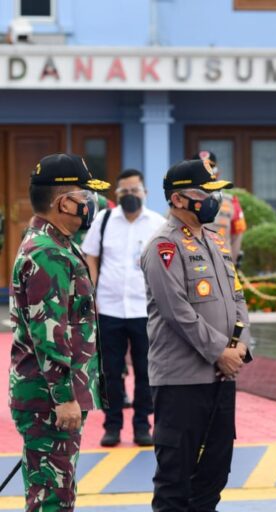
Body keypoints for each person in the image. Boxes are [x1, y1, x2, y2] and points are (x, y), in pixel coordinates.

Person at [141, 158, 251, 511]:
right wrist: (221, 350)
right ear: (178, 199)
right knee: (176, 478)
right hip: (181, 380)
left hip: (221, 375)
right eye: (206, 193)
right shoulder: (162, 246)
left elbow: (237, 297)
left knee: (214, 474)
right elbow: (177, 312)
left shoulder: (216, 241)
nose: (214, 200)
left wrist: (239, 344)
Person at [8, 153, 110, 511]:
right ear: (64, 202)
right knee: (52, 499)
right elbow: (49, 333)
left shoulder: (59, 246)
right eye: (85, 196)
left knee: (55, 492)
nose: (90, 204)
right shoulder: (47, 253)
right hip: (49, 399)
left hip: (49, 396)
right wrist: (65, 395)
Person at [82, 169, 166, 447]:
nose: (130, 196)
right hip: (108, 308)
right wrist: (91, 291)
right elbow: (90, 256)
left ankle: (143, 425)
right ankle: (112, 426)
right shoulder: (103, 221)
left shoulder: (157, 223)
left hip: (145, 310)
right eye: (124, 192)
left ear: (145, 192)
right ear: (117, 195)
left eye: (135, 190)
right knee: (110, 371)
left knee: (146, 371)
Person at [191, 150, 247, 261]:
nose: (205, 172)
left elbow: (237, 236)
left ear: (217, 173)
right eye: (200, 169)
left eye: (209, 168)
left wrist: (231, 264)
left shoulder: (231, 202)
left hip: (222, 267)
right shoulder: (180, 201)